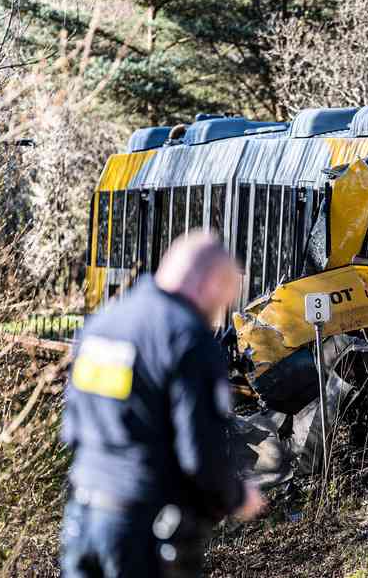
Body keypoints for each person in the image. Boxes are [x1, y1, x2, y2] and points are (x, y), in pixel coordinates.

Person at [60, 231, 265, 578]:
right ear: (210, 284)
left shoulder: (104, 322)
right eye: (220, 302)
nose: (215, 315)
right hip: (143, 532)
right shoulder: (186, 336)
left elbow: (73, 425)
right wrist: (236, 497)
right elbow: (200, 452)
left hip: (82, 519)